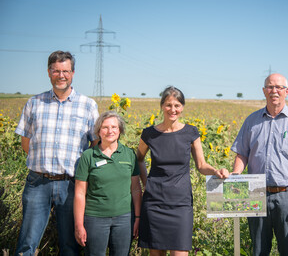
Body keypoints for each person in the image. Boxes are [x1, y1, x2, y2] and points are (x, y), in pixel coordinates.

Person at [14, 50, 99, 255]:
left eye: (66, 71)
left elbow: (96, 145)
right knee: (27, 243)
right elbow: (26, 143)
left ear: (73, 73)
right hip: (37, 182)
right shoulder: (34, 103)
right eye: (56, 71)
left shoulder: (88, 105)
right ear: (49, 72)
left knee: (70, 246)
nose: (61, 75)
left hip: (71, 185)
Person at [137, 86, 229, 256]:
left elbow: (201, 165)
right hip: (154, 202)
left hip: (181, 203)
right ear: (162, 106)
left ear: (182, 107)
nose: (173, 109)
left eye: (177, 105)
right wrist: (146, 183)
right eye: (169, 105)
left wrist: (216, 170)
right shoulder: (149, 134)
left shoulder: (191, 132)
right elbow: (139, 159)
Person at [231, 73, 288, 256]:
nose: (274, 91)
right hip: (255, 192)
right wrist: (236, 176)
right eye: (270, 87)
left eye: (278, 87)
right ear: (264, 91)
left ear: (287, 91)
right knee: (259, 250)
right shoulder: (252, 121)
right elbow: (242, 154)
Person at [74, 111, 142, 255]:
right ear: (98, 131)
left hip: (124, 218)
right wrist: (79, 225)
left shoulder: (129, 154)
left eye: (114, 127)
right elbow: (80, 193)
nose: (110, 131)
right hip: (95, 218)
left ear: (120, 130)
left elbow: (136, 189)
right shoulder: (88, 156)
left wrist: (137, 217)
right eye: (105, 127)